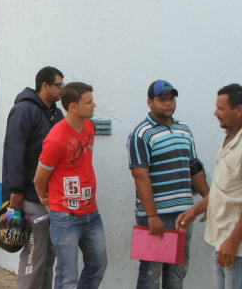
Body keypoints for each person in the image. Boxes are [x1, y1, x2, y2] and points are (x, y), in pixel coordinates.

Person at [127, 80, 209, 289]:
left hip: (184, 214)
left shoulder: (185, 130)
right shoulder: (141, 134)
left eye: (171, 99)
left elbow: (194, 168)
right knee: (151, 274)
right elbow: (140, 177)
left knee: (177, 273)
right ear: (150, 102)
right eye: (161, 99)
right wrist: (152, 216)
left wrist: (209, 200)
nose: (168, 103)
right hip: (156, 217)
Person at [34, 82, 107, 289]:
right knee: (67, 277)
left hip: (91, 212)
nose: (94, 105)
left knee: (98, 263)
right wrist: (45, 199)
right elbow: (39, 179)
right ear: (73, 106)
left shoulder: (89, 127)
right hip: (65, 216)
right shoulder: (56, 138)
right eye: (89, 101)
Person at [3, 66, 64, 289]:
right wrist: (15, 189)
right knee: (33, 256)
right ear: (45, 85)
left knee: (49, 256)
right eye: (59, 85)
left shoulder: (56, 113)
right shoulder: (23, 110)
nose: (61, 90)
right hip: (29, 196)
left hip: (52, 198)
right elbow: (14, 151)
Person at [176, 84, 242, 289]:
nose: (215, 113)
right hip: (221, 240)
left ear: (239, 109)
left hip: (235, 247)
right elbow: (224, 191)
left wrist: (233, 241)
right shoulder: (230, 138)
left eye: (221, 108)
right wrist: (195, 210)